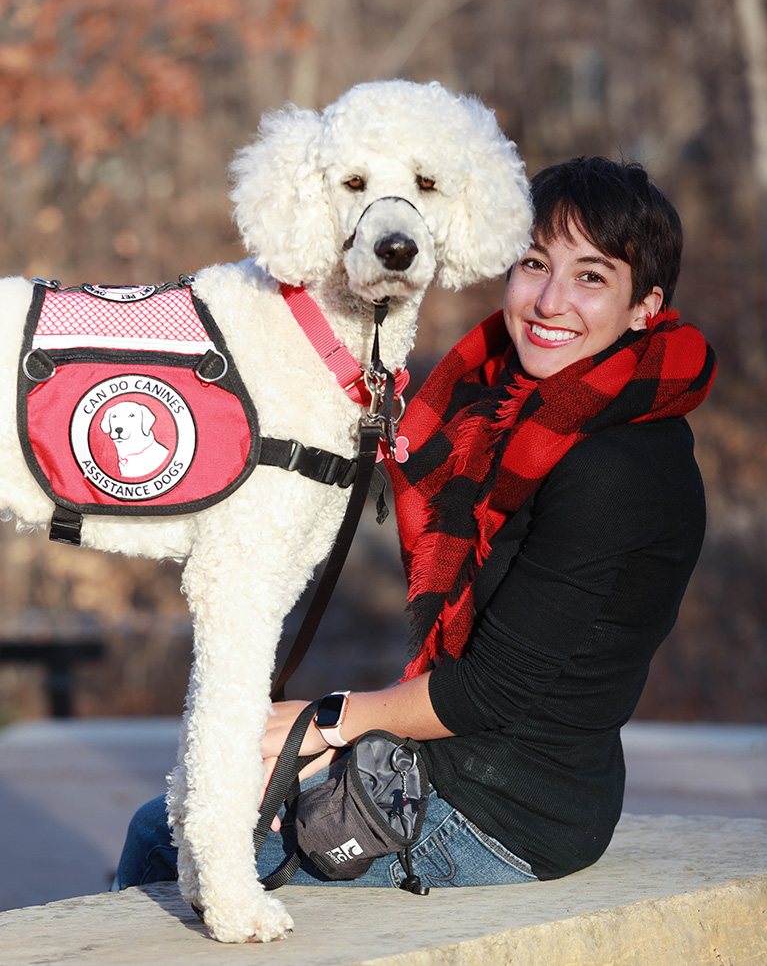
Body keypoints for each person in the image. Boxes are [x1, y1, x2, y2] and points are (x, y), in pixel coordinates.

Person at [113, 155, 716, 891]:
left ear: (645, 308)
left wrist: (324, 723)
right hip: (489, 772)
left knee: (166, 836)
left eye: (591, 277)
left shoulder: (612, 468)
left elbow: (485, 693)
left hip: (496, 813)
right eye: (534, 264)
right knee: (191, 808)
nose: (550, 300)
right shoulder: (514, 415)